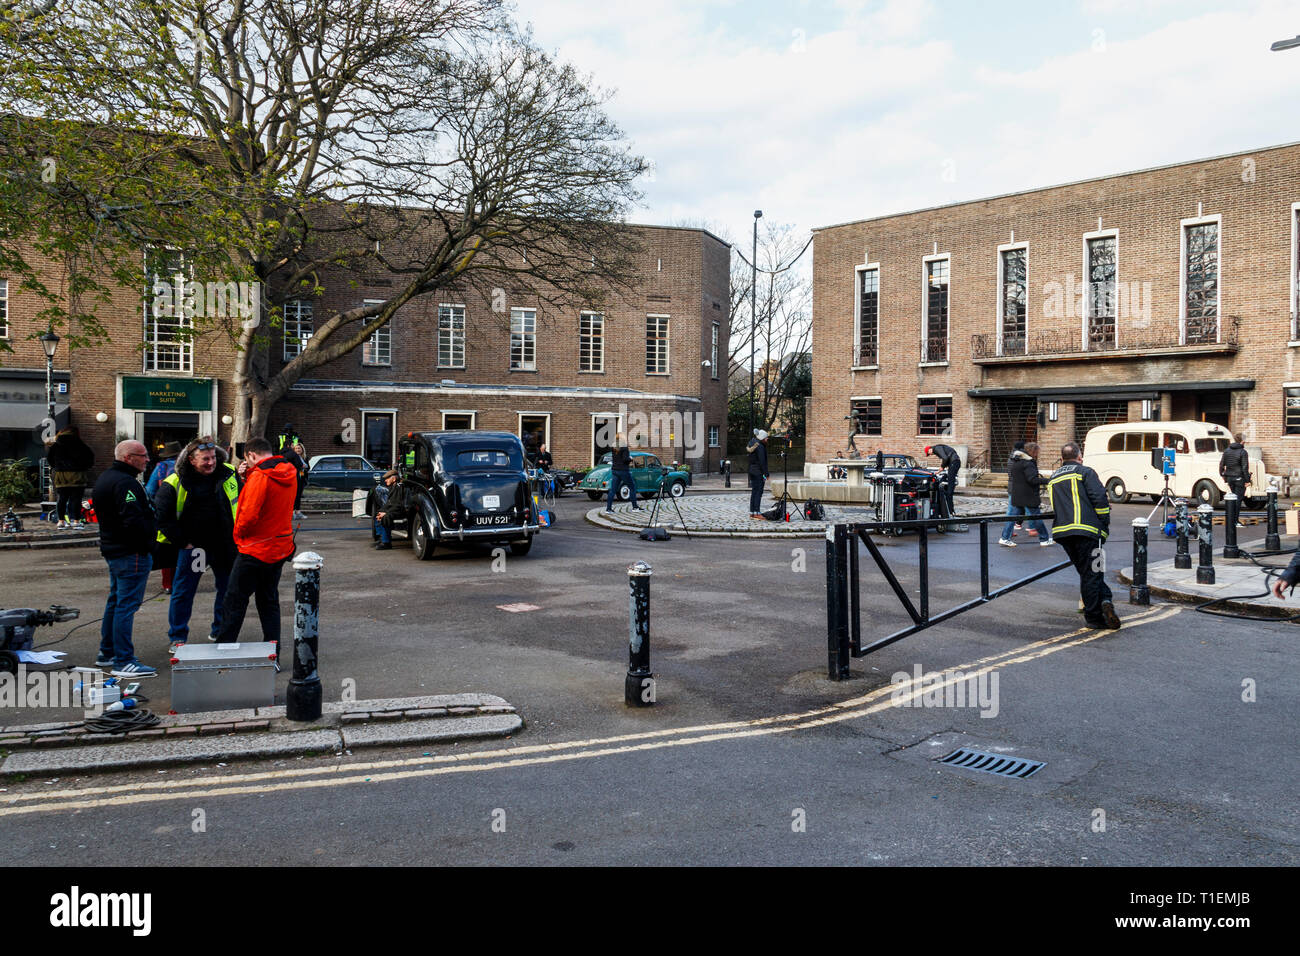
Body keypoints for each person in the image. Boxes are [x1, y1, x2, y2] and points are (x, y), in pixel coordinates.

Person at [154, 436, 240, 654]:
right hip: (196, 549)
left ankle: (220, 630)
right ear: (192, 460)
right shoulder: (175, 482)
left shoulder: (229, 473)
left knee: (227, 590)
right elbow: (163, 518)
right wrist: (184, 543)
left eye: (213, 458)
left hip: (224, 545)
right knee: (184, 591)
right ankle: (178, 636)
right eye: (205, 459)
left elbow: (242, 501)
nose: (211, 462)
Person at [214, 437, 297, 654]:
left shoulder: (260, 477)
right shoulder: (288, 472)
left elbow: (248, 515)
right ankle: (273, 652)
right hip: (279, 547)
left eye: (248, 460)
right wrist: (246, 476)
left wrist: (238, 536)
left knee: (234, 601)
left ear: (251, 455)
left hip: (255, 549)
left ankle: (224, 648)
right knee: (268, 601)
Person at [91, 440, 158, 678]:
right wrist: (148, 544)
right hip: (131, 553)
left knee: (116, 601)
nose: (147, 459)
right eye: (143, 455)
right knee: (126, 606)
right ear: (128, 458)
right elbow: (133, 520)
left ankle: (107, 652)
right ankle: (124, 660)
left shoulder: (107, 478)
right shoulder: (124, 483)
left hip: (115, 550)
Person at [1046, 441, 1120, 630]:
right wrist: (1104, 522)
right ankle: (1094, 617)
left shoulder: (1053, 478)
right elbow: (1100, 498)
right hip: (1088, 532)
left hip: (1063, 534)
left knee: (1088, 573)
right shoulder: (1085, 472)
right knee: (1094, 573)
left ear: (1062, 458)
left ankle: (1105, 600)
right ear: (1079, 457)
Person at [1000, 441, 1053, 548]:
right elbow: (1032, 479)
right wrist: (1047, 480)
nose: (1038, 454)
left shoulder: (1016, 461)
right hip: (1028, 495)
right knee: (1036, 517)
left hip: (1017, 494)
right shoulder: (1028, 463)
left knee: (1012, 517)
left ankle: (1005, 538)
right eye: (1037, 452)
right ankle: (1044, 539)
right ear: (1033, 451)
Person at [46, 426, 94, 529]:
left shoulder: (56, 445)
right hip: (78, 475)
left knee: (62, 499)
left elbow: (50, 459)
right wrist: (84, 467)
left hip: (61, 475)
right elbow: (90, 459)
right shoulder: (81, 445)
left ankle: (61, 522)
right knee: (76, 499)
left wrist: (57, 467)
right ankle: (76, 522)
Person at [925, 443, 961, 518]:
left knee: (950, 488)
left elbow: (945, 458)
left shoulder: (937, 448)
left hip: (954, 462)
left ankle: (949, 499)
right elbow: (947, 456)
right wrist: (941, 469)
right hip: (955, 462)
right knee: (949, 481)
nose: (930, 454)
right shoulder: (939, 448)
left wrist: (942, 467)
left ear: (929, 449)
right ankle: (950, 507)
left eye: (928, 453)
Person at [606, 435, 640, 512]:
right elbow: (625, 459)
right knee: (632, 487)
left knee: (613, 490)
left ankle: (608, 509)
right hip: (623, 471)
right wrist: (630, 459)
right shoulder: (624, 448)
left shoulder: (613, 447)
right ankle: (635, 507)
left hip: (615, 470)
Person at [1219, 433, 1250, 511]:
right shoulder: (1243, 452)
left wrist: (1223, 475)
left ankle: (1231, 518)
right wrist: (1247, 480)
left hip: (1229, 477)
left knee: (1232, 498)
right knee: (1238, 500)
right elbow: (1245, 467)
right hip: (1239, 478)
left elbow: (1221, 464)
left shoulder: (1227, 451)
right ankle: (1235, 520)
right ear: (1242, 441)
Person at [372, 469, 401, 550]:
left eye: (387, 478)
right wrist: (381, 511)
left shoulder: (399, 488)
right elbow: (389, 503)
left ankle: (386, 542)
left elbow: (398, 505)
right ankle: (381, 538)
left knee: (385, 517)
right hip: (393, 509)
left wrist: (385, 513)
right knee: (377, 514)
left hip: (399, 510)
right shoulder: (392, 487)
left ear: (394, 479)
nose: (385, 480)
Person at [747, 429, 769, 518]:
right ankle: (757, 512)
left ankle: (752, 512)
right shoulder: (760, 447)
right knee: (758, 492)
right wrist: (766, 473)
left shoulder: (752, 443)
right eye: (766, 437)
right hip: (758, 472)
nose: (767, 439)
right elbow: (762, 461)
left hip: (752, 470)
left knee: (754, 491)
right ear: (762, 438)